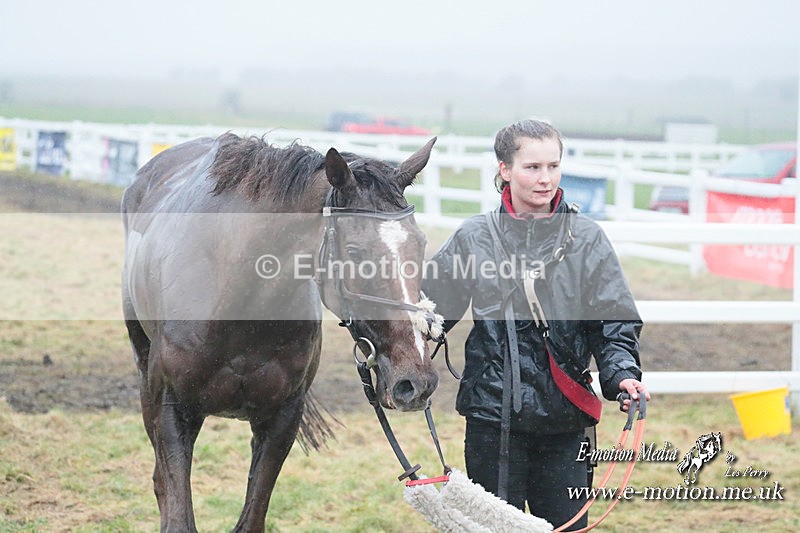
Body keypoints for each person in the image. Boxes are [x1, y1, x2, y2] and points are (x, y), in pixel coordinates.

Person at [422, 119, 650, 529]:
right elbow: (429, 315)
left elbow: (613, 321)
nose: (545, 179)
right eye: (532, 167)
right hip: (492, 418)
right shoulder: (474, 237)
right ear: (504, 170)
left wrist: (622, 375)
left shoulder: (587, 238)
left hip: (564, 421)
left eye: (553, 166)